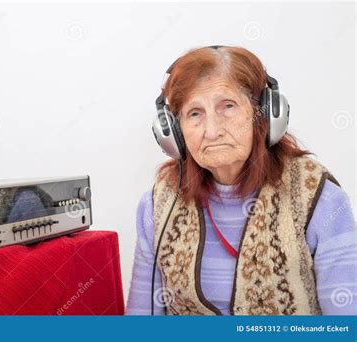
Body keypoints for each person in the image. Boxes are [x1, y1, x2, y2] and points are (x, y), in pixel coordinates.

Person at [126, 45, 356, 315]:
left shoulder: (318, 197)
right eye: (195, 113)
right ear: (175, 132)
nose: (212, 131)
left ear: (265, 116)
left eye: (228, 106)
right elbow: (140, 322)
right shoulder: (159, 203)